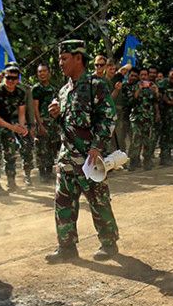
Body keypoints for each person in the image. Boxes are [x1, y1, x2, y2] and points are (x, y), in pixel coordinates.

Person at [45, 40, 120, 262]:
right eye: (60, 58)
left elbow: (108, 117)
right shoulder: (64, 90)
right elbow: (66, 125)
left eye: (64, 58)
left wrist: (97, 147)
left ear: (79, 58)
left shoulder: (96, 84)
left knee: (98, 200)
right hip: (67, 157)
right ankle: (66, 247)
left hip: (89, 158)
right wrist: (56, 115)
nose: (60, 63)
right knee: (63, 202)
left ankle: (109, 243)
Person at [0, 65, 29, 194]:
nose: (10, 81)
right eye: (8, 77)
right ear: (4, 77)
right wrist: (13, 128)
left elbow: (21, 113)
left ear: (18, 79)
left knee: (11, 152)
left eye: (13, 78)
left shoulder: (21, 92)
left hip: (9, 122)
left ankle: (11, 182)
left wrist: (22, 127)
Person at [32, 63, 60, 183]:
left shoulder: (54, 89)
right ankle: (42, 173)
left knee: (51, 147)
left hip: (53, 123)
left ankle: (49, 172)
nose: (42, 74)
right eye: (39, 72)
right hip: (42, 121)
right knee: (41, 148)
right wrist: (39, 124)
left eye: (44, 71)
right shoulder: (36, 89)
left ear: (49, 73)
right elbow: (35, 108)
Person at [128, 67, 160, 171]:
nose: (143, 77)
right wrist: (139, 89)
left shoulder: (152, 87)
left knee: (148, 141)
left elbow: (156, 101)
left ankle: (147, 161)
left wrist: (156, 91)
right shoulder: (134, 86)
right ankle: (133, 162)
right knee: (136, 141)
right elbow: (132, 101)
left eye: (145, 75)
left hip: (148, 118)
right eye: (141, 75)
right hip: (137, 118)